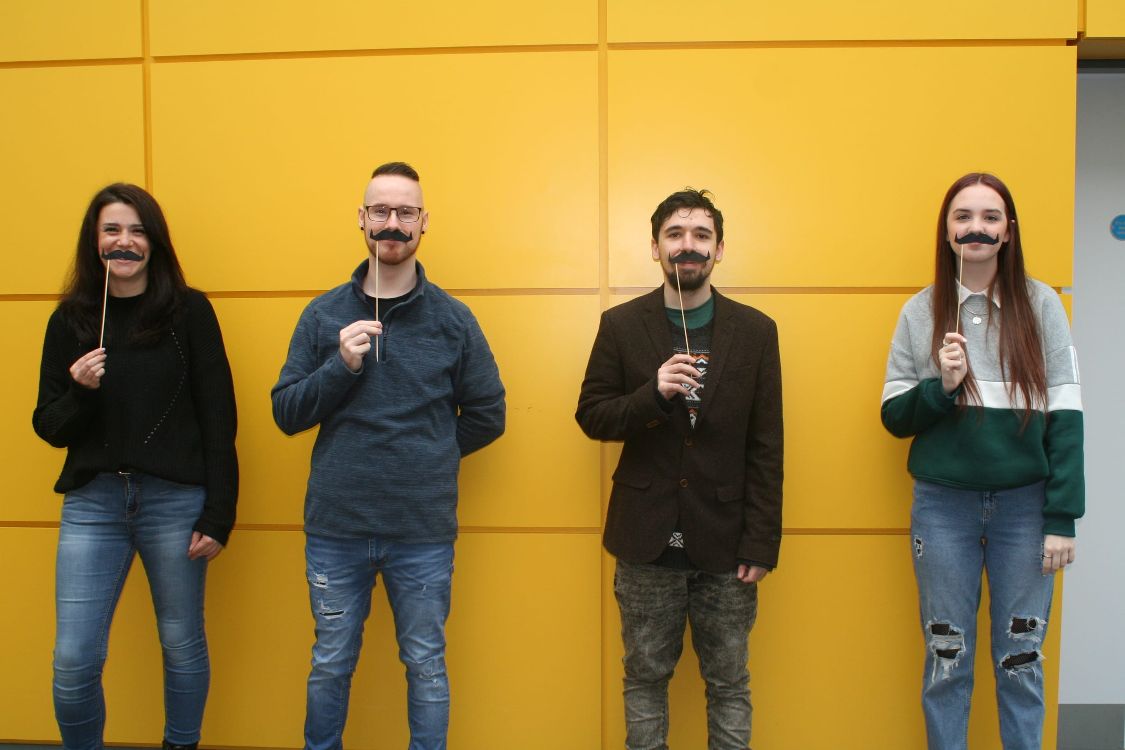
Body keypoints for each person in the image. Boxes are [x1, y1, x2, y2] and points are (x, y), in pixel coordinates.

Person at [271, 161, 505, 750]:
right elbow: (286, 413)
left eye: (405, 213)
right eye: (381, 211)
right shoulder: (323, 314)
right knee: (330, 664)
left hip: (421, 532)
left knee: (425, 665)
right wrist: (340, 366)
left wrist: (430, 454)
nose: (393, 224)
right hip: (336, 527)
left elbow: (489, 413)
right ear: (362, 219)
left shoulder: (454, 320)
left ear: (424, 222)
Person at [880, 172, 1084, 749]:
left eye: (990, 217)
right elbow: (895, 419)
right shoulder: (921, 312)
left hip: (1026, 508)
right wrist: (942, 386)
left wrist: (1062, 516)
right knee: (947, 656)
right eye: (963, 217)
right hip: (943, 509)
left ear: (1008, 232)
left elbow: (1067, 413)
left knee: (1021, 660)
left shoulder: (1043, 305)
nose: (977, 228)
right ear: (947, 232)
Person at [32, 183, 238, 750]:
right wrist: (79, 391)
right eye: (112, 230)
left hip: (176, 503)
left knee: (180, 643)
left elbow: (219, 414)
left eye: (137, 230)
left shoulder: (188, 311)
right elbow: (49, 427)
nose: (125, 242)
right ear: (94, 241)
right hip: (92, 504)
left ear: (155, 241)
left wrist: (220, 512)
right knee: (73, 659)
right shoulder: (70, 320)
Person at [576, 188, 783, 750]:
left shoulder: (757, 331)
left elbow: (767, 446)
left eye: (700, 235)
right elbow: (592, 416)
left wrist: (761, 544)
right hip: (644, 544)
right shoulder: (620, 325)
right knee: (644, 679)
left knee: (730, 683)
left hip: (727, 545)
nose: (687, 246)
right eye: (675, 234)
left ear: (719, 249)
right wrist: (653, 394)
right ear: (654, 247)